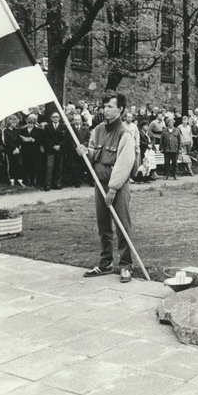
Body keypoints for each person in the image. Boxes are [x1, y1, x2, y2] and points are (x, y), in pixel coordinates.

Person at [76, 92, 136, 283]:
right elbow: (96, 154)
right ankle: (105, 263)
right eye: (104, 107)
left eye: (110, 106)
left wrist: (112, 189)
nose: (106, 110)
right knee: (103, 224)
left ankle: (126, 265)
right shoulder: (98, 130)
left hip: (117, 186)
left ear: (120, 109)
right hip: (99, 183)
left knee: (122, 225)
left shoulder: (125, 133)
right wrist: (86, 151)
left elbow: (124, 164)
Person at [42, 111, 66, 191]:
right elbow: (46, 138)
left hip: (60, 149)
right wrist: (53, 146)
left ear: (59, 118)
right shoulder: (47, 127)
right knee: (49, 167)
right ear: (51, 118)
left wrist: (59, 145)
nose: (55, 118)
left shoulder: (63, 126)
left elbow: (66, 138)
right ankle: (48, 184)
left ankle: (57, 183)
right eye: (54, 117)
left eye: (57, 117)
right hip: (50, 149)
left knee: (59, 167)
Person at [66, 113, 91, 188]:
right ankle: (77, 182)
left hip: (83, 150)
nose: (77, 121)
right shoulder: (70, 129)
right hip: (74, 151)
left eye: (78, 119)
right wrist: (76, 148)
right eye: (75, 119)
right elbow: (69, 140)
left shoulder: (86, 129)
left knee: (84, 165)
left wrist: (83, 146)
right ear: (73, 120)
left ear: (81, 120)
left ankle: (86, 180)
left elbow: (88, 139)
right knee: (75, 167)